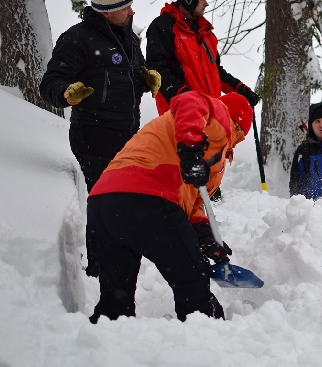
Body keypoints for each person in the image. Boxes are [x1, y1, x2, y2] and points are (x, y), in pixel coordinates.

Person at [86, 91, 253, 323]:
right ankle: (209, 343)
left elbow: (191, 200)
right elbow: (190, 100)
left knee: (115, 307)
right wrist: (191, 151)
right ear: (240, 126)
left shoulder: (188, 134)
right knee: (194, 285)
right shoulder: (220, 119)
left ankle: (103, 349)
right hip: (148, 200)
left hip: (103, 204)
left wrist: (203, 231)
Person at [39, 0, 160, 277]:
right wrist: (66, 93)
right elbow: (50, 84)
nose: (133, 11)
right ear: (107, 11)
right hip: (93, 137)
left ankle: (119, 257)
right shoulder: (77, 39)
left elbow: (125, 76)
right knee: (105, 202)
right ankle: (101, 266)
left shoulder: (128, 38)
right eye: (126, 6)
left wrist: (144, 79)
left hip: (127, 134)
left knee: (125, 199)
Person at [146, 0, 259, 115]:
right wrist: (184, 96)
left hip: (209, 114)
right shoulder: (164, 26)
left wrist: (238, 88)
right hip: (181, 116)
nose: (206, 3)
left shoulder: (205, 33)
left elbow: (216, 71)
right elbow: (157, 71)